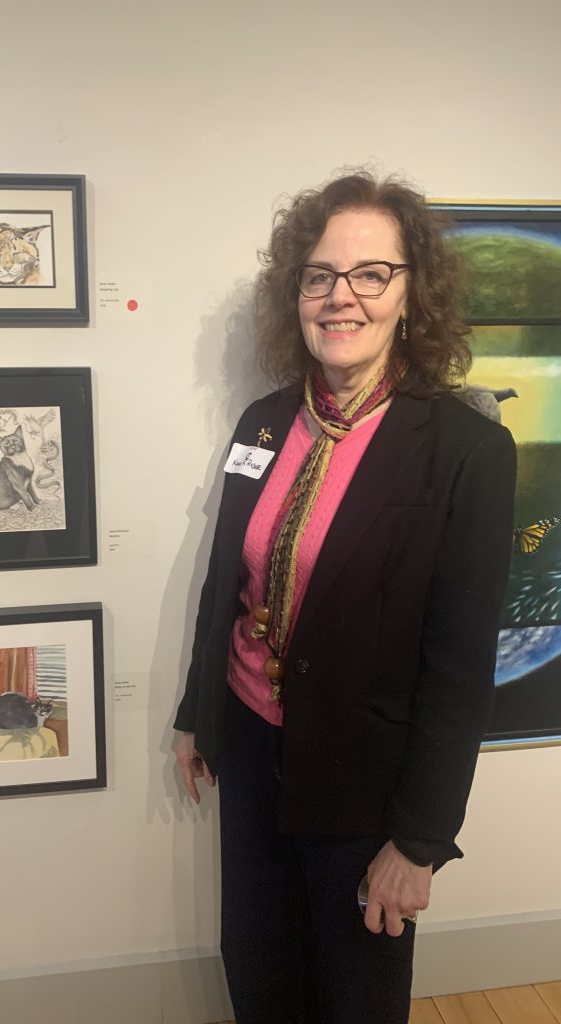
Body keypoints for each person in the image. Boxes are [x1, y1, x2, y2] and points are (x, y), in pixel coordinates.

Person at [172, 171, 516, 1024]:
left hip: (367, 784)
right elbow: (227, 582)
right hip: (252, 749)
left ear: (411, 292)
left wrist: (421, 841)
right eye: (320, 275)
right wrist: (197, 713)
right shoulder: (261, 421)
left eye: (371, 274)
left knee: (355, 993)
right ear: (297, 291)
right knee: (257, 967)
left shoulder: (465, 449)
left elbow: (461, 663)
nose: (342, 297)